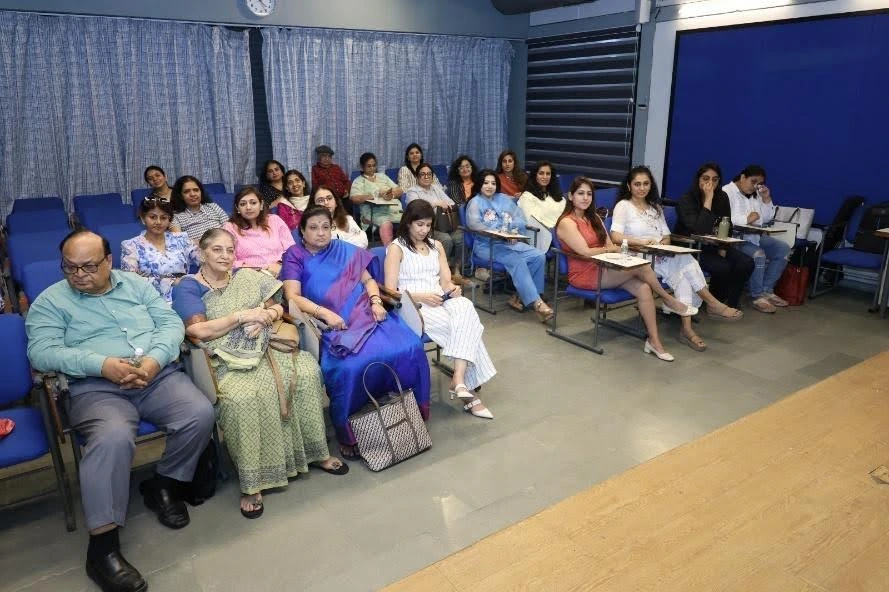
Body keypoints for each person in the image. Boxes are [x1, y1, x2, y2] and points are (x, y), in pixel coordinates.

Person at [25, 230, 215, 592]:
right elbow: (42, 352)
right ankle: (102, 549)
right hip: (94, 388)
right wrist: (102, 364)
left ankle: (162, 484)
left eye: (88, 266)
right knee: (112, 438)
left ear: (109, 261)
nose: (79, 274)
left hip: (153, 377)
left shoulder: (137, 286)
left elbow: (169, 324)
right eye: (70, 267)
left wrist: (154, 361)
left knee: (199, 413)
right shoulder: (51, 301)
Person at [173, 228, 346, 520]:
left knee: (306, 372)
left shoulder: (247, 277)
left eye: (230, 250)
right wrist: (242, 317)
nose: (225, 256)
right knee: (243, 398)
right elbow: (198, 331)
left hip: (268, 344)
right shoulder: (188, 287)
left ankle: (315, 453)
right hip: (225, 358)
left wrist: (266, 316)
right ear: (202, 253)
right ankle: (253, 482)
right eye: (217, 250)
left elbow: (278, 305)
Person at [281, 206, 431, 457]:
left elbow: (369, 281)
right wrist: (325, 313)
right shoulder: (294, 255)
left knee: (410, 347)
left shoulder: (343, 249)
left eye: (326, 227)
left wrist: (376, 301)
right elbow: (292, 296)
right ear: (302, 232)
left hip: (367, 312)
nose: (321, 233)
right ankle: (350, 431)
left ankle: (408, 410)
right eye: (313, 228)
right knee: (350, 367)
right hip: (331, 323)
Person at [557, 176, 698, 361]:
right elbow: (585, 252)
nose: (585, 198)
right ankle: (668, 299)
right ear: (570, 196)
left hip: (606, 267)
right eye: (580, 193)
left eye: (589, 194)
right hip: (585, 274)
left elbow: (609, 245)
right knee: (642, 266)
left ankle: (654, 342)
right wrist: (609, 250)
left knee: (644, 288)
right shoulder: (567, 222)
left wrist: (613, 250)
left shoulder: (594, 218)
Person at [609, 167, 743, 353]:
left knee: (684, 271)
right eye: (637, 184)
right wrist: (642, 242)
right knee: (686, 262)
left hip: (659, 254)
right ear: (629, 186)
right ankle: (711, 305)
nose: (642, 188)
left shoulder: (655, 207)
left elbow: (666, 236)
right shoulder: (623, 206)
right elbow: (615, 236)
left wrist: (663, 245)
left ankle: (688, 329)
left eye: (646, 183)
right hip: (638, 257)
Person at [384, 200, 495, 418]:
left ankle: (458, 378)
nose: (424, 230)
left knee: (465, 306)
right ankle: (466, 389)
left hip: (439, 298)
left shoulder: (437, 246)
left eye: (428, 225)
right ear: (408, 223)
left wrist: (452, 288)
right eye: (419, 225)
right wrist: (422, 296)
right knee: (465, 327)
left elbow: (445, 281)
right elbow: (390, 290)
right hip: (411, 304)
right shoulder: (397, 248)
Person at [466, 169, 553, 322]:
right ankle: (537, 303)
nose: (490, 186)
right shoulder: (475, 202)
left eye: (493, 183)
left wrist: (513, 231)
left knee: (538, 256)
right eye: (486, 183)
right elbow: (474, 225)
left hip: (508, 242)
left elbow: (519, 218)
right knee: (516, 260)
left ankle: (519, 296)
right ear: (479, 184)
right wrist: (498, 233)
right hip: (487, 245)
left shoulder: (503, 198)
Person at [675, 162, 755, 311]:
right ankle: (715, 304)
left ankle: (730, 303)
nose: (710, 183)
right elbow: (699, 230)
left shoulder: (722, 197)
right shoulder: (686, 199)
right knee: (722, 266)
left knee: (746, 262)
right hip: (692, 247)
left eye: (715, 179)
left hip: (715, 245)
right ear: (698, 179)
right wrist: (708, 199)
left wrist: (723, 248)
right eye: (706, 178)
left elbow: (727, 225)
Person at [724, 164, 791, 313]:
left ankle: (767, 290)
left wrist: (766, 199)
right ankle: (757, 295)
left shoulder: (755, 194)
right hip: (735, 237)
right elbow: (725, 218)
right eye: (753, 181)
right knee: (758, 254)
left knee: (783, 249)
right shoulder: (726, 192)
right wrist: (746, 218)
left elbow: (766, 218)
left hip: (753, 235)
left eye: (758, 184)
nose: (755, 186)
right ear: (743, 177)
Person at [121, 198, 199, 303]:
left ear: (169, 220)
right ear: (143, 218)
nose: (158, 222)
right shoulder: (131, 246)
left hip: (185, 294)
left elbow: (206, 260)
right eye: (153, 217)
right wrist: (171, 282)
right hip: (152, 300)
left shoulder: (181, 239)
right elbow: (131, 281)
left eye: (163, 218)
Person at [405, 163, 464, 275]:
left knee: (461, 237)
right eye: (423, 174)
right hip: (426, 227)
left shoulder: (436, 188)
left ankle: (457, 268)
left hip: (444, 224)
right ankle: (440, 269)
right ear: (417, 177)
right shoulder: (412, 191)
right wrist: (435, 203)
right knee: (446, 240)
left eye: (429, 174)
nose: (426, 177)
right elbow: (415, 209)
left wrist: (445, 204)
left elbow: (451, 202)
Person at [223, 187, 295, 276]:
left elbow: (291, 248)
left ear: (261, 205)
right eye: (243, 204)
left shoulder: (275, 220)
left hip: (281, 270)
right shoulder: (230, 228)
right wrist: (252, 270)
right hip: (249, 275)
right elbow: (227, 257)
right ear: (237, 208)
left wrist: (280, 264)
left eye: (253, 203)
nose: (248, 207)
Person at [348, 152, 403, 246]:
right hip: (374, 211)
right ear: (362, 167)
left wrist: (391, 195)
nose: (372, 168)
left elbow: (399, 190)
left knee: (408, 221)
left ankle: (406, 248)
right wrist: (371, 196)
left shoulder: (382, 176)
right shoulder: (358, 181)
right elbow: (354, 198)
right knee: (386, 223)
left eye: (374, 165)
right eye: (369, 166)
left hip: (393, 209)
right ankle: (389, 249)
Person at [517, 160, 564, 251]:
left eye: (548, 174)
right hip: (544, 237)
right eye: (541, 173)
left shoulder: (557, 196)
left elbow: (566, 215)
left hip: (562, 232)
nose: (545, 177)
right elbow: (532, 221)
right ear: (535, 175)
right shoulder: (527, 196)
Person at [171, 175, 229, 243]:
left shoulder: (213, 206)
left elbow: (230, 230)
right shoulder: (175, 216)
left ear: (201, 192)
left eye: (196, 190)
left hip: (224, 244)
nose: (192, 194)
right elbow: (180, 241)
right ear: (180, 196)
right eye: (186, 191)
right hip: (197, 248)